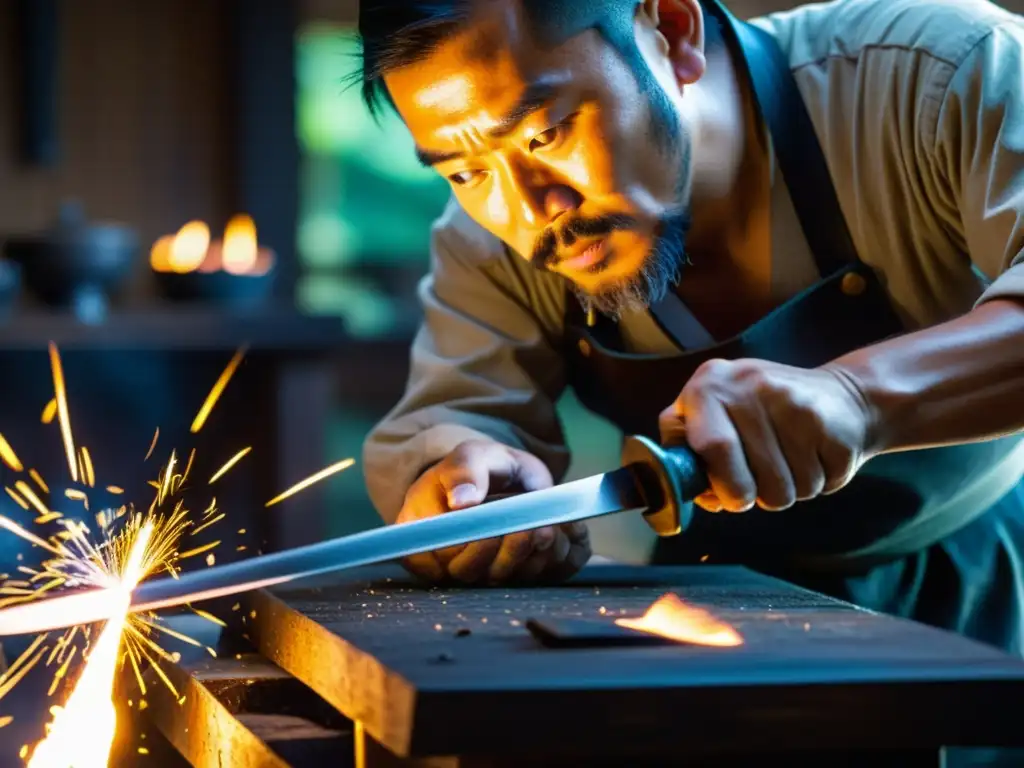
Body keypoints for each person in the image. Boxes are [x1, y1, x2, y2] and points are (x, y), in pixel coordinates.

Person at [357, 0, 1024, 658]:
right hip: (707, 600)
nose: (531, 211)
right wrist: (466, 483)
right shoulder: (491, 238)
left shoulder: (942, 72)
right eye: (466, 171)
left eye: (546, 133)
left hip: (986, 578)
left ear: (672, 31)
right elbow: (453, 413)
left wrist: (856, 397)